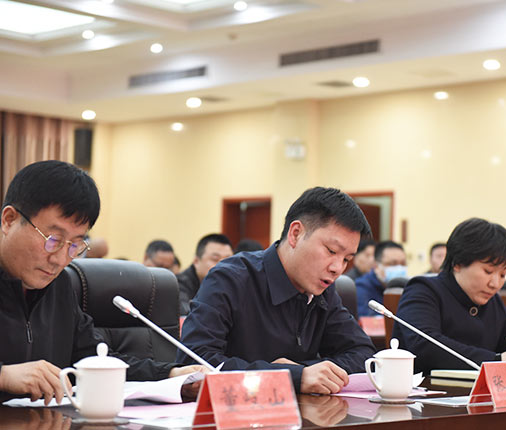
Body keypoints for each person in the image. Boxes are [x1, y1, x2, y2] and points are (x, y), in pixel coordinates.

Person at [0, 161, 203, 404]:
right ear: (9, 220)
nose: (60, 259)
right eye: (53, 239)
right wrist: (4, 376)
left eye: (75, 245)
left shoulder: (60, 286)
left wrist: (170, 376)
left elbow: (96, 360)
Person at [178, 187, 376, 394]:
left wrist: (301, 371)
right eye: (331, 251)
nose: (337, 268)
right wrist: (291, 376)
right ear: (296, 234)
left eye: (346, 259)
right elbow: (195, 364)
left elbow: (363, 354)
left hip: (303, 410)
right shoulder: (230, 279)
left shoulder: (322, 289)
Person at [393, 218, 506, 373]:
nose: (495, 284)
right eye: (488, 271)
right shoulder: (423, 290)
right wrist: (495, 360)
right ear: (458, 263)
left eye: (503, 274)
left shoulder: (492, 301)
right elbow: (426, 346)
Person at [177, 233, 233, 315]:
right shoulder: (179, 285)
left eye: (228, 260)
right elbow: (187, 316)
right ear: (196, 261)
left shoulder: (233, 284)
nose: (223, 265)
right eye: (215, 259)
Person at [355, 241, 407, 317]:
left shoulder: (406, 287)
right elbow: (366, 318)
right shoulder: (361, 287)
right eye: (392, 264)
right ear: (376, 266)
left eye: (403, 263)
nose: (399, 268)